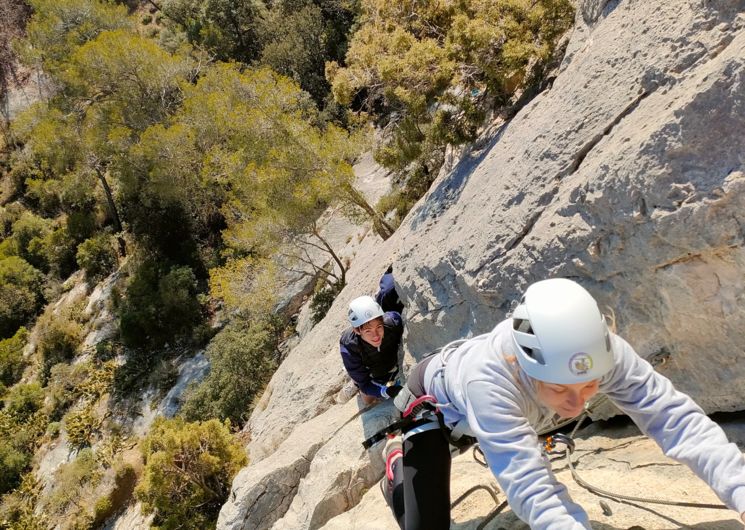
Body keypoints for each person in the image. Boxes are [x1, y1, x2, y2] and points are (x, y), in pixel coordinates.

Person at [383, 278, 745, 529]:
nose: (575, 405)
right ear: (521, 365)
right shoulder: (490, 380)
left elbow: (674, 418)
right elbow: (528, 482)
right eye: (560, 389)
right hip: (432, 404)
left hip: (479, 403)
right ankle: (395, 469)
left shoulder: (603, 353)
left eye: (590, 386)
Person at [340, 295, 404, 404]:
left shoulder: (392, 323)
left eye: (379, 327)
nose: (376, 336)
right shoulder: (350, 346)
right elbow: (366, 385)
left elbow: (397, 316)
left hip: (391, 363)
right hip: (371, 372)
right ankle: (355, 383)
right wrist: (386, 391)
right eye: (368, 331)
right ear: (357, 331)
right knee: (368, 400)